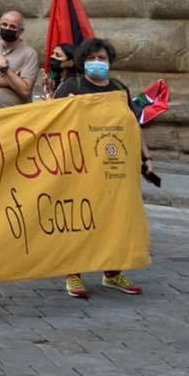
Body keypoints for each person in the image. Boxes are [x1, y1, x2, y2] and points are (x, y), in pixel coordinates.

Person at [55, 39, 151, 300]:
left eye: (103, 58)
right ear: (83, 61)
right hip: (81, 167)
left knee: (115, 217)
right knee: (81, 217)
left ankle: (112, 272)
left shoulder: (119, 89)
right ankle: (73, 273)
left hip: (114, 166)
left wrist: (146, 155)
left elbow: (132, 123)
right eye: (93, 58)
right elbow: (52, 122)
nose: (98, 63)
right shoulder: (71, 87)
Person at [0, 10, 40, 109]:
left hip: (12, 113)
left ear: (21, 31)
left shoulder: (29, 54)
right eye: (4, 24)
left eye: (13, 26)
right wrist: (13, 80)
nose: (7, 28)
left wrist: (5, 69)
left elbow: (25, 91)